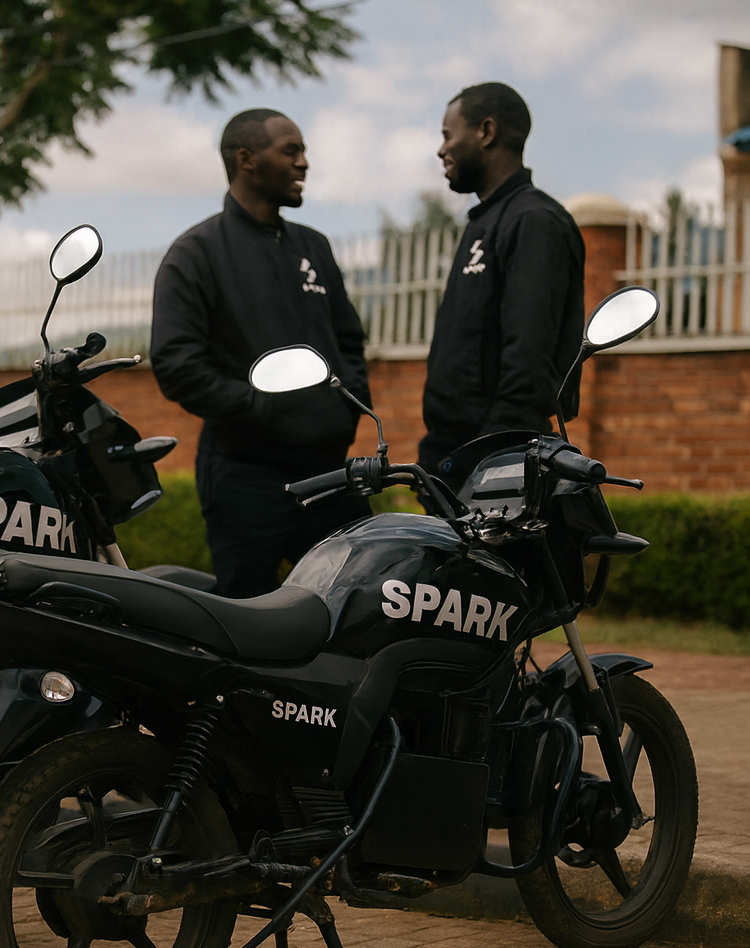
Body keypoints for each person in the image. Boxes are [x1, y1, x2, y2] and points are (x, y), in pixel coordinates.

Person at [151, 108, 371, 598]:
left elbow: (350, 341)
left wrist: (347, 405)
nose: (304, 163)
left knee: (363, 600)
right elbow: (175, 362)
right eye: (290, 151)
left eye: (303, 152)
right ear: (247, 159)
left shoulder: (314, 247)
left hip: (330, 472)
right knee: (249, 617)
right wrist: (260, 405)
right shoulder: (196, 253)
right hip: (245, 477)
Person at [420, 82, 586, 477]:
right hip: (453, 461)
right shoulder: (485, 223)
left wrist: (486, 462)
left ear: (486, 132)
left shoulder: (534, 221)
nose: (442, 149)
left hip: (494, 466)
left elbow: (528, 363)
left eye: (448, 134)